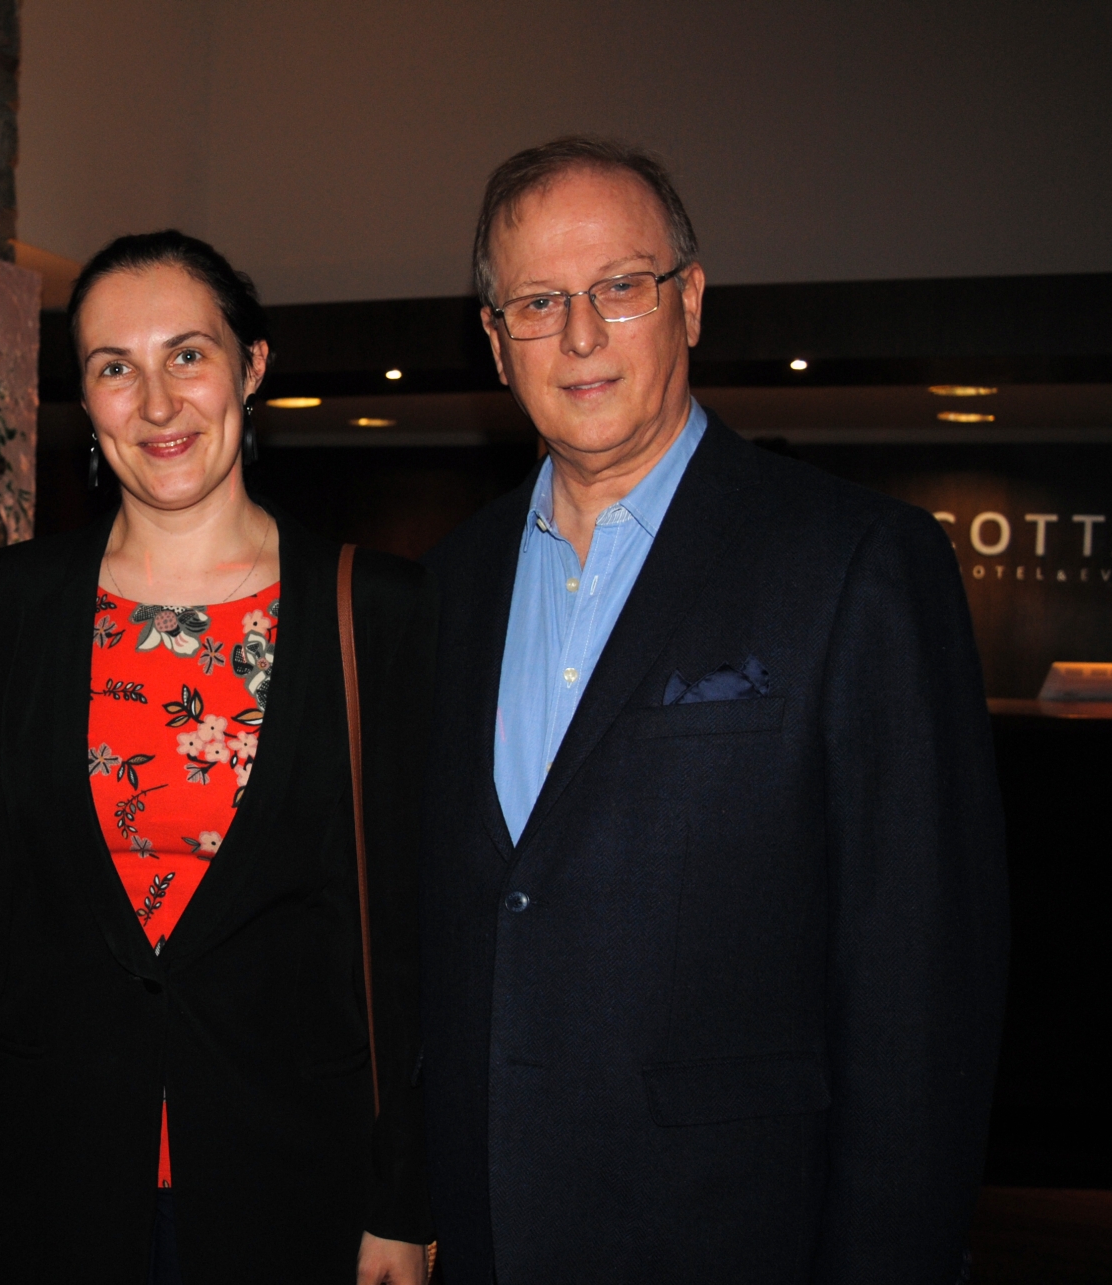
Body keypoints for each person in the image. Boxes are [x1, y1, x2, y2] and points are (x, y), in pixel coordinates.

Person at [418, 135, 1011, 1282]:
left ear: (689, 301)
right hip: (485, 1230)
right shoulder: (443, 587)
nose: (580, 335)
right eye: (538, 302)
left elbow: (920, 987)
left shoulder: (856, 564)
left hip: (731, 1234)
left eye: (620, 287)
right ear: (494, 341)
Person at [0, 231, 433, 1284]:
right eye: (115, 367)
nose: (157, 403)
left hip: (297, 1182)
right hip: (55, 1168)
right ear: (86, 398)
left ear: (252, 367)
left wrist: (407, 1194)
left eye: (189, 355)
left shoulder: (378, 612)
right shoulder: (12, 605)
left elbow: (409, 942)